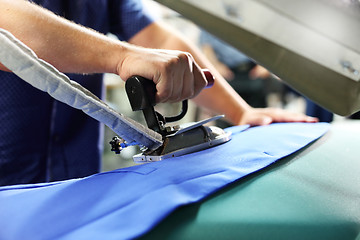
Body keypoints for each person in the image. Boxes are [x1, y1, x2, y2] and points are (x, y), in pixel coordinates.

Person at [0, 0, 317, 186]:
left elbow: (162, 43)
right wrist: (122, 56)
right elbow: (7, 25)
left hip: (78, 185)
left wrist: (241, 112)